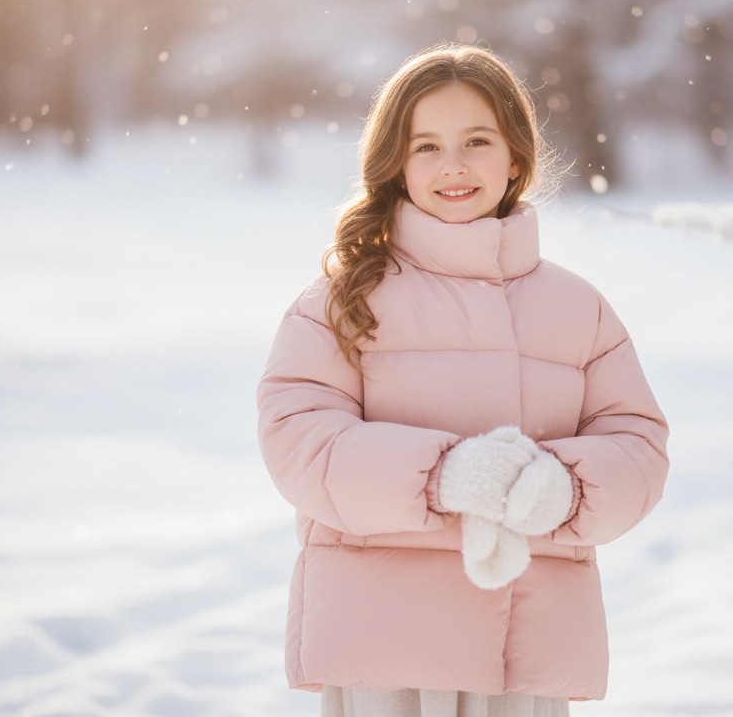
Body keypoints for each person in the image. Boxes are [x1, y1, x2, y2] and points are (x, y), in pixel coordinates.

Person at [257, 44, 670, 717]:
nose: (453, 165)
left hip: (526, 650)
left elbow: (638, 445)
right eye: (426, 147)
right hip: (386, 648)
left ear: (515, 158)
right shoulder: (344, 299)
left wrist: (566, 488)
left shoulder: (578, 309)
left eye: (477, 141)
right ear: (397, 163)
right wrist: (443, 476)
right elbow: (299, 441)